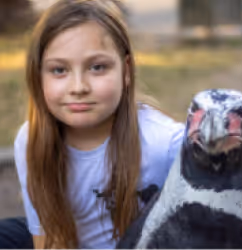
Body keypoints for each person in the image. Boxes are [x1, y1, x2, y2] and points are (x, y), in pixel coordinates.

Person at [0, 0, 184, 248]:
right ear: (37, 74)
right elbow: (48, 240)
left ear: (126, 71)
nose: (78, 87)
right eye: (59, 70)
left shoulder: (167, 144)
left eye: (97, 67)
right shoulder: (31, 140)